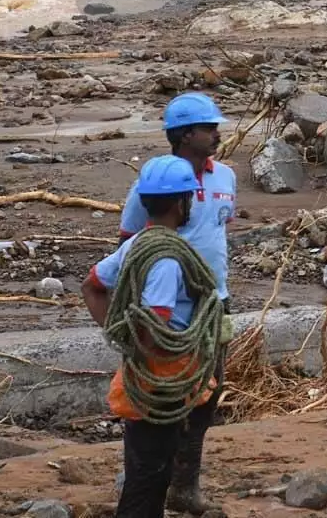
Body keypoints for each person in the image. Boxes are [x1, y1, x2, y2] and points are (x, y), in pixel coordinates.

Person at [118, 93, 235, 516]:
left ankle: (184, 485)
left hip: (214, 303)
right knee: (161, 397)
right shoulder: (154, 183)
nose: (217, 134)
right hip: (170, 310)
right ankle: (150, 479)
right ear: (186, 134)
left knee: (208, 392)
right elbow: (132, 243)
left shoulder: (226, 177)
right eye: (209, 128)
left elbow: (220, 235)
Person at [89, 156, 225, 518]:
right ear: (182, 202)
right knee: (151, 475)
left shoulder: (135, 245)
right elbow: (156, 321)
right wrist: (152, 354)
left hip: (143, 376)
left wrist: (122, 340)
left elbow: (92, 286)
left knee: (144, 470)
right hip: (161, 383)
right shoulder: (166, 259)